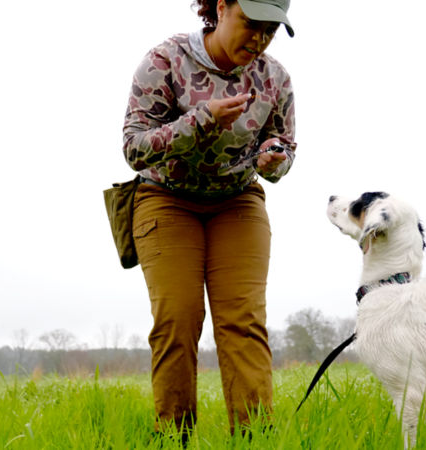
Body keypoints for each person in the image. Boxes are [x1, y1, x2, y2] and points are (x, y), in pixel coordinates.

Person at [121, 0, 296, 438]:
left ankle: (256, 440)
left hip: (237, 201)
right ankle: (174, 437)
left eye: (271, 30)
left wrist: (275, 158)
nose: (259, 38)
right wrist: (202, 119)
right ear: (221, 7)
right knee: (177, 320)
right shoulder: (165, 61)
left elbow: (284, 143)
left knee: (243, 320)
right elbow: (134, 147)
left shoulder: (274, 77)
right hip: (165, 197)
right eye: (251, 24)